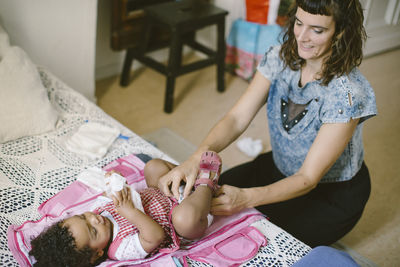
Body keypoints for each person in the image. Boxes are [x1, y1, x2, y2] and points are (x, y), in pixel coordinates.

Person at [158, 0, 377, 248]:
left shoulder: (347, 94)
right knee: (203, 200)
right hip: (278, 168)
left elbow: (308, 177)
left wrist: (246, 198)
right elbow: (236, 118)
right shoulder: (280, 55)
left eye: (317, 30)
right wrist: (196, 158)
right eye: (298, 23)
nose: (302, 37)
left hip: (329, 196)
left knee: (255, 241)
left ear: (340, 32)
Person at [29, 151, 221, 267]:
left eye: (83, 217)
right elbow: (155, 236)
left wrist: (115, 180)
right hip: (176, 217)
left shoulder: (98, 213)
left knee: (153, 167)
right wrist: (130, 212)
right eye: (93, 231)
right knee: (185, 220)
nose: (94, 219)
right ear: (97, 254)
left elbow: (115, 194)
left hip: (162, 192)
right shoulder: (120, 249)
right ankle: (207, 184)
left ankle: (188, 178)